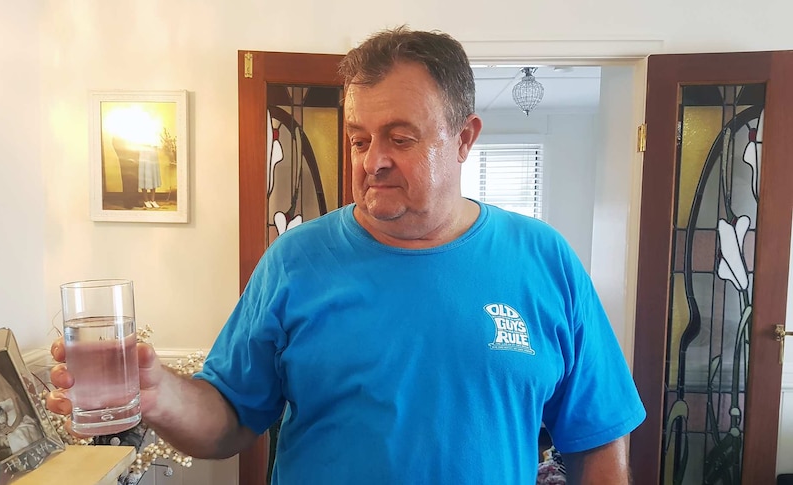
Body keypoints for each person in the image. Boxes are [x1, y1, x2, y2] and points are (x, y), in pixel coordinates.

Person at [48, 26, 645, 483]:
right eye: (360, 138)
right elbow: (229, 417)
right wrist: (159, 395)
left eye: (400, 138)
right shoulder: (294, 261)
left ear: (464, 139)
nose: (371, 160)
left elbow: (596, 437)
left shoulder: (546, 260)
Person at [0, 362, 43, 455]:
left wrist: (12, 427)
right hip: (5, 427)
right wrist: (2, 427)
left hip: (18, 422)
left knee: (22, 433)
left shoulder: (9, 391)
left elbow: (19, 413)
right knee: (14, 437)